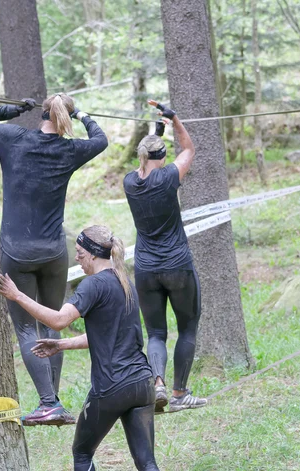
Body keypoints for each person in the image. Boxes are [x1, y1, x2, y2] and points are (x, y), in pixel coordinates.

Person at [0, 225, 177, 471]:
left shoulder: (93, 285)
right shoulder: (124, 283)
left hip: (111, 388)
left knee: (81, 452)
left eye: (79, 252)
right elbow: (102, 335)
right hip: (142, 385)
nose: (76, 257)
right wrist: (62, 345)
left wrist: (17, 296)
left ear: (92, 253)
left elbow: (60, 318)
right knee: (147, 461)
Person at [0, 94, 108, 426]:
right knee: (54, 321)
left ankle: (48, 402)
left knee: (26, 327)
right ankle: (52, 401)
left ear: (41, 113)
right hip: (55, 251)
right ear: (64, 118)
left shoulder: (13, 139)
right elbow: (101, 140)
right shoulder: (70, 150)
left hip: (17, 252)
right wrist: (83, 114)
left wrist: (13, 109)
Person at [123, 99, 208, 413]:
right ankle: (179, 393)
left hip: (146, 268)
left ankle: (157, 383)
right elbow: (188, 149)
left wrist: (156, 129)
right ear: (162, 156)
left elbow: (146, 157)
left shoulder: (130, 182)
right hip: (177, 266)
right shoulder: (169, 176)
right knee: (187, 327)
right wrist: (174, 119)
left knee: (156, 332)